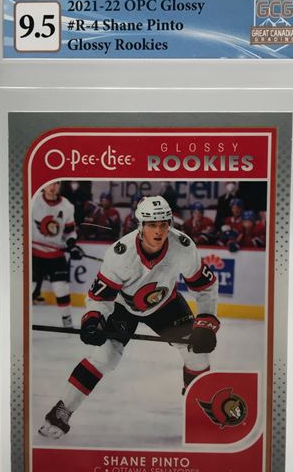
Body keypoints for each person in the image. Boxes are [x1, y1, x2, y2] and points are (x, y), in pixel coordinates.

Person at [39, 196, 220, 438]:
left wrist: (206, 323)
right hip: (124, 307)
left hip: (166, 305)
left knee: (198, 355)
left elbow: (205, 287)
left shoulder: (183, 247)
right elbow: (100, 297)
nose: (159, 231)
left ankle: (198, 410)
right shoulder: (120, 254)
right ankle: (61, 411)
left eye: (164, 224)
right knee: (105, 356)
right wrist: (93, 320)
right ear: (140, 225)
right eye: (152, 225)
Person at [31, 182, 84, 328]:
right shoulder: (33, 200)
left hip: (55, 255)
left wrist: (72, 245)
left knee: (61, 289)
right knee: (30, 289)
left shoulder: (67, 206)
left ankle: (67, 323)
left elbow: (70, 232)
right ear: (43, 186)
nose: (52, 187)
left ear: (60, 185)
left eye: (56, 183)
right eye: (49, 184)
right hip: (34, 254)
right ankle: (21, 322)